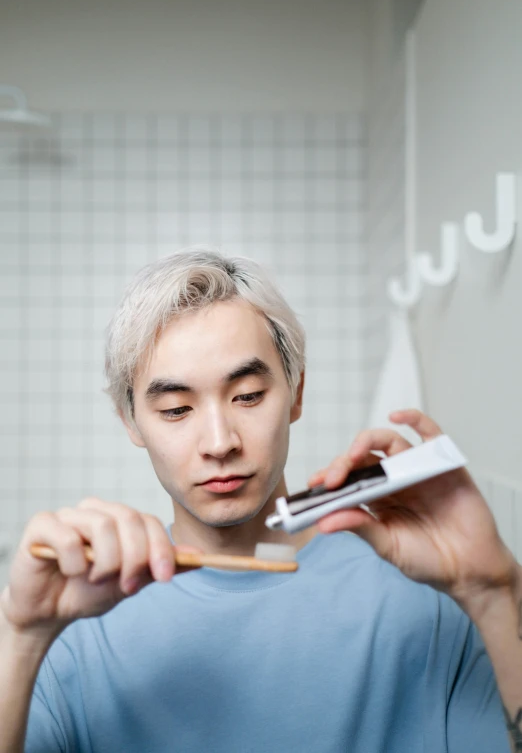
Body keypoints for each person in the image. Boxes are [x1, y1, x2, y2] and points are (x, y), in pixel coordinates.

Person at [0, 248, 519, 752]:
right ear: (131, 421)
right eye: (177, 409)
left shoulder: (425, 596)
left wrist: (495, 592)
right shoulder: (72, 624)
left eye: (247, 396)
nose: (220, 442)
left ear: (296, 392)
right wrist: (20, 635)